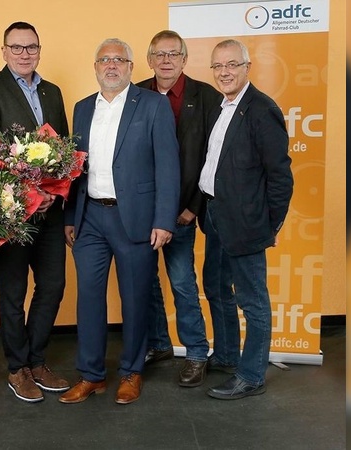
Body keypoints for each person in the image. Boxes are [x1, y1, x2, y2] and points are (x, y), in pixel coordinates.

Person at [59, 38, 180, 405]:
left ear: (130, 66)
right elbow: (71, 168)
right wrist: (69, 216)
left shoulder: (154, 106)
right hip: (89, 217)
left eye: (119, 60)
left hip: (137, 219)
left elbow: (169, 167)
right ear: (95, 67)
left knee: (135, 299)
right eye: (104, 60)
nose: (111, 65)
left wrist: (163, 220)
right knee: (90, 299)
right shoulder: (81, 108)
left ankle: (131, 372)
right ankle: (91, 375)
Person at [0, 21, 70, 403]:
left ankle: (37, 360)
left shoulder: (53, 91)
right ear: (4, 50)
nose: (24, 53)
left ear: (39, 50)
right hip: (12, 216)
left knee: (52, 287)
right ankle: (17, 369)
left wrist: (52, 194)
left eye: (31, 47)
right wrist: (30, 195)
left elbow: (60, 152)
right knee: (12, 294)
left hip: (50, 212)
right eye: (17, 47)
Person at [199, 39, 293, 400]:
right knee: (217, 288)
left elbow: (281, 177)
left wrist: (270, 226)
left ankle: (251, 375)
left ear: (246, 67)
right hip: (216, 215)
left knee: (252, 301)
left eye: (232, 65)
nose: (224, 72)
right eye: (218, 66)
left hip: (245, 223)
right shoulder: (223, 107)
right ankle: (225, 354)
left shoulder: (260, 109)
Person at [135, 30, 222, 388]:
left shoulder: (206, 97)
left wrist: (192, 206)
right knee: (146, 283)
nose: (166, 61)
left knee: (183, 283)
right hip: (141, 212)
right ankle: (158, 343)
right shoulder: (135, 94)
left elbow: (213, 158)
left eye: (173, 54)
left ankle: (198, 353)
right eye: (159, 54)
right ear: (149, 59)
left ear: (185, 59)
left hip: (182, 212)